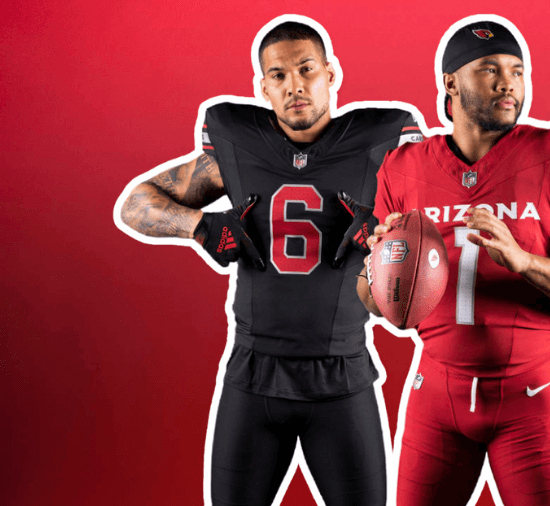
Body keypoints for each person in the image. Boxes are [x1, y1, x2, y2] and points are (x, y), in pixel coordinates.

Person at [117, 17, 423, 506]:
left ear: (332, 72)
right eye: (278, 76)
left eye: (306, 70)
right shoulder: (238, 145)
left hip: (342, 377)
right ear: (263, 86)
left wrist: (394, 229)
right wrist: (201, 227)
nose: (294, 86)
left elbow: (437, 216)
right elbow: (135, 203)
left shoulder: (383, 145)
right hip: (253, 376)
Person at [358, 16, 550, 506]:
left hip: (531, 400)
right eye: (491, 69)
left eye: (518, 71)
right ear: (450, 83)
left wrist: (525, 262)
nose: (509, 84)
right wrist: (380, 266)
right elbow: (372, 303)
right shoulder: (403, 165)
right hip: (434, 399)